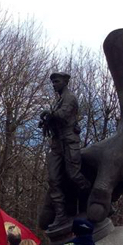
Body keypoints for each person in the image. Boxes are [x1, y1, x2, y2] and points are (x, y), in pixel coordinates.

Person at [40, 72, 91, 229]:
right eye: (53, 82)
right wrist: (46, 121)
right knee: (54, 179)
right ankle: (61, 215)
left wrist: (50, 114)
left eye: (57, 81)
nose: (54, 84)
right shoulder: (58, 100)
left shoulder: (70, 98)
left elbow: (62, 115)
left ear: (65, 82)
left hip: (69, 142)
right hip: (57, 144)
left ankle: (95, 200)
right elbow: (55, 118)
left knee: (74, 174)